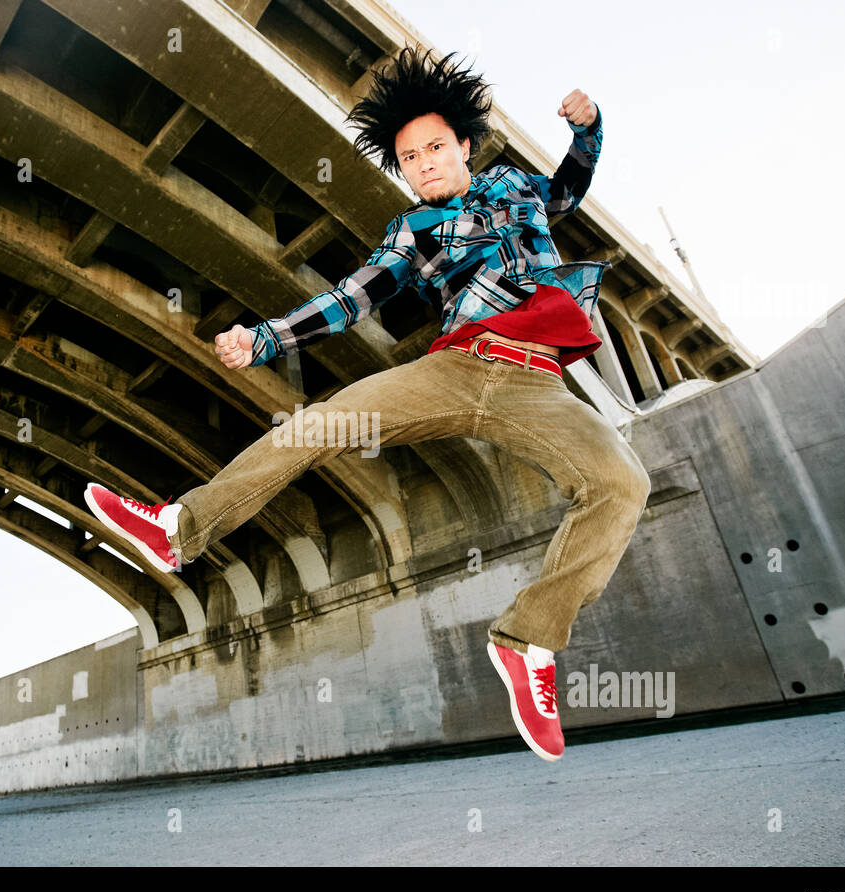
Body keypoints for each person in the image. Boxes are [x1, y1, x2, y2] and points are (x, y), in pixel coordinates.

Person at [85, 46, 651, 762]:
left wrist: (589, 127)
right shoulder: (411, 232)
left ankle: (528, 640)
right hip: (454, 370)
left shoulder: (515, 187)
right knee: (319, 424)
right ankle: (179, 527)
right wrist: (264, 339)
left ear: (464, 146)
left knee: (622, 483)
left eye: (435, 148)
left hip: (539, 384)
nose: (423, 164)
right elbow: (353, 297)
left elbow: (569, 188)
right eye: (410, 158)